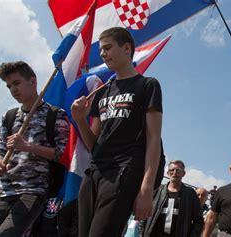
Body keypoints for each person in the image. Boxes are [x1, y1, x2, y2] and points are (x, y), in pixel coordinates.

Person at [71, 27, 163, 237]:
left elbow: (154, 139)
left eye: (108, 48)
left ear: (126, 48)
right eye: (101, 50)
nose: (102, 53)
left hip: (124, 171)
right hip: (95, 172)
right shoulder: (102, 92)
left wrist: (146, 189)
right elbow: (93, 142)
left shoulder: (148, 85)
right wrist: (79, 120)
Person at [0, 61, 69, 237]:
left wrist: (28, 146)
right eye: (9, 86)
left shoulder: (56, 114)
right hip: (3, 190)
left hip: (33, 190)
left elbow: (62, 154)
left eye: (16, 83)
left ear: (32, 81)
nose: (13, 90)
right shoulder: (9, 116)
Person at [139, 160, 203, 237]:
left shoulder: (190, 194)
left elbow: (198, 220)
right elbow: (145, 216)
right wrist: (141, 233)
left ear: (184, 174)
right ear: (168, 173)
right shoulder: (157, 191)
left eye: (178, 170)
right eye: (171, 170)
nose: (174, 172)